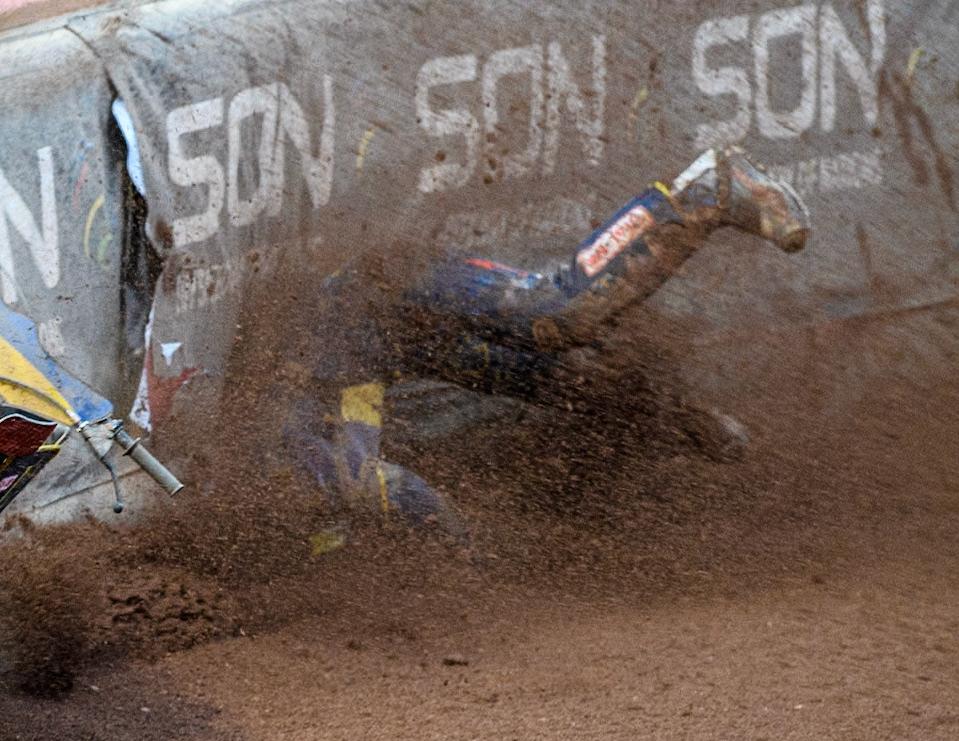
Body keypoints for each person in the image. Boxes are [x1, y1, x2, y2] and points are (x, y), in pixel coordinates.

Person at [289, 147, 812, 540]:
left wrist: (460, 558)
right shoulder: (302, 466)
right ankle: (672, 418)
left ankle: (706, 189)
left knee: (554, 316)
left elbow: (374, 486)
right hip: (377, 350)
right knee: (569, 380)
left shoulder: (290, 466)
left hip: (383, 292)